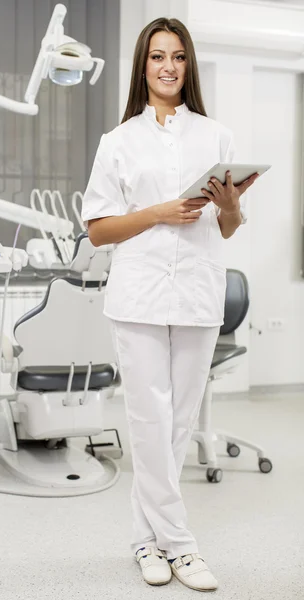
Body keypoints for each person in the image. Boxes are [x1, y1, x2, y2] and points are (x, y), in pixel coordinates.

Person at [81, 17, 258, 593]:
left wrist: (228, 204)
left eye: (177, 57)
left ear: (188, 65)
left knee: (176, 426)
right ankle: (183, 547)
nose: (167, 67)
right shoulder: (119, 141)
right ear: (143, 65)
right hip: (138, 294)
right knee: (147, 420)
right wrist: (158, 212)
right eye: (157, 56)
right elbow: (99, 231)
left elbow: (229, 228)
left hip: (198, 294)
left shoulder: (217, 136)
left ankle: (144, 539)